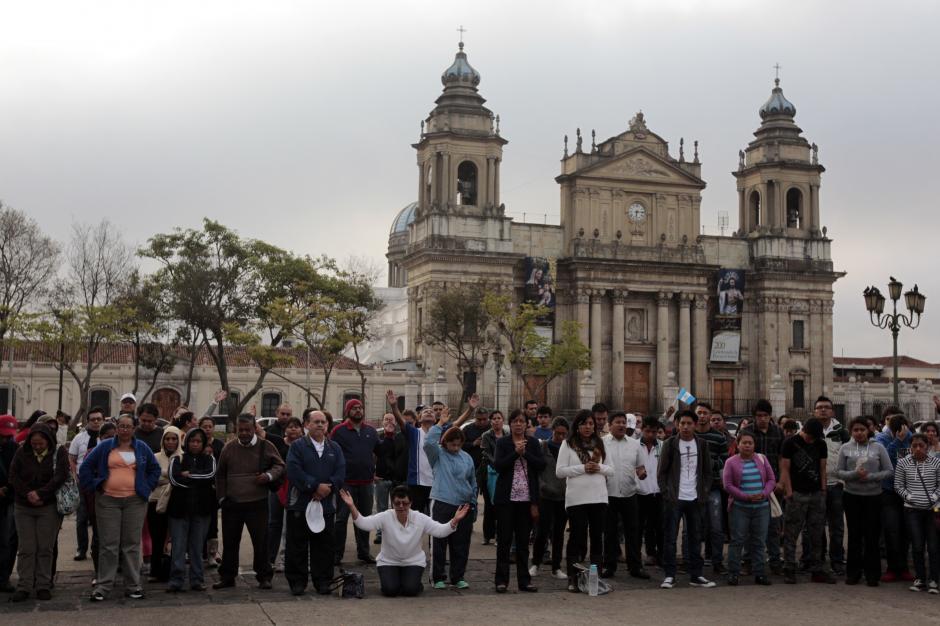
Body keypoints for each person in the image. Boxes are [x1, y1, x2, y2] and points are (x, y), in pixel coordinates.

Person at [79, 414, 161, 601]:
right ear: (117, 428)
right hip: (108, 501)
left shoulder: (142, 448)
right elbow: (85, 468)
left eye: (128, 426)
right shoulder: (105, 447)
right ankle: (103, 586)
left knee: (131, 544)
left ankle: (133, 585)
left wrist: (146, 487)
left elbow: (154, 469)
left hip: (134, 501)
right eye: (121, 426)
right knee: (109, 545)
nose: (124, 430)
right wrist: (95, 486)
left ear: (134, 429)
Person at [340, 486, 469, 597]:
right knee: (390, 591)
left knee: (410, 590)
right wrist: (351, 506)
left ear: (411, 503)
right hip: (388, 561)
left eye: (405, 503)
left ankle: (409, 581)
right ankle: (396, 579)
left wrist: (455, 520)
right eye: (397, 503)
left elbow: (441, 531)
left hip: (413, 561)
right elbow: (363, 523)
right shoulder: (386, 516)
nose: (401, 506)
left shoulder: (420, 518)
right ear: (392, 503)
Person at [213, 414, 285, 590]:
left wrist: (268, 476)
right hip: (232, 504)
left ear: (255, 429)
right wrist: (222, 498)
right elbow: (220, 475)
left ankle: (264, 576)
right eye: (241, 430)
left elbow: (280, 466)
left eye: (247, 430)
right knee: (230, 542)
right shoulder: (228, 448)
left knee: (261, 542)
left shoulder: (265, 446)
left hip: (257, 503)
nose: (244, 433)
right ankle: (227, 577)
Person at [285, 410, 345, 596]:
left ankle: (323, 581)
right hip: (301, 504)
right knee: (297, 545)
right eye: (316, 421)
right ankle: (297, 582)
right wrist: (313, 487)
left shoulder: (335, 448)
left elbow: (341, 471)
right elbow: (294, 470)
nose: (320, 425)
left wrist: (329, 487)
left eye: (323, 422)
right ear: (307, 425)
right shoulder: (297, 447)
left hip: (326, 505)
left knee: (324, 545)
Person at [7, 423, 69, 602]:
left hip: (48, 506)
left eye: (41, 444)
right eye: (34, 444)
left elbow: (60, 476)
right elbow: (14, 476)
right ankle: (24, 585)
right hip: (23, 506)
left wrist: (41, 494)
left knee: (45, 547)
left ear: (48, 441)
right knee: (26, 548)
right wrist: (29, 494)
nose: (38, 447)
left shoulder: (59, 452)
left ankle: (43, 584)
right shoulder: (21, 452)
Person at [658, 410, 716, 589]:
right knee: (670, 537)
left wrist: (704, 492)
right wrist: (667, 493)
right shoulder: (670, 444)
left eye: (689, 423)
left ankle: (696, 575)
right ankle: (669, 575)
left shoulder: (702, 444)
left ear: (695, 425)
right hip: (675, 497)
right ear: (677, 424)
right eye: (682, 423)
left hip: (695, 498)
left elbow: (707, 472)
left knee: (695, 537)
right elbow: (662, 472)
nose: (685, 427)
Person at [556, 409, 612, 592]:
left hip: (599, 497)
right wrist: (582, 468)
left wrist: (599, 467)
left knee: (597, 538)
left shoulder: (600, 443)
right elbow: (560, 471)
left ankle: (596, 577)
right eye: (584, 423)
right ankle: (573, 577)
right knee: (577, 537)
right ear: (577, 426)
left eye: (590, 423)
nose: (588, 427)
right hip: (577, 499)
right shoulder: (568, 444)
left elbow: (611, 470)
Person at [834, 417, 893, 586]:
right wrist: (854, 475)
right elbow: (838, 472)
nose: (859, 433)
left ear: (869, 430)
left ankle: (872, 574)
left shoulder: (878, 447)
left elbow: (889, 471)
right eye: (855, 430)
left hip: (873, 497)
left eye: (862, 429)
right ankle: (853, 573)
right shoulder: (845, 448)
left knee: (871, 536)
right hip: (851, 496)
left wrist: (871, 477)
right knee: (854, 535)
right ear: (851, 431)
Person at [492, 409, 545, 593]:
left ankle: (524, 580)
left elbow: (540, 465)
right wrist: (515, 453)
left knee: (523, 543)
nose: (518, 424)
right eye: (515, 421)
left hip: (526, 499)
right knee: (504, 542)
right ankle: (501, 580)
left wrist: (525, 454)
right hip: (506, 500)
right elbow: (498, 466)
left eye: (522, 421)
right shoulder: (503, 443)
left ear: (526, 423)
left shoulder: (533, 443)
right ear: (510, 423)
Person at [424, 405, 476, 589]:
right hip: (442, 502)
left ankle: (458, 576)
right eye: (451, 443)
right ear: (445, 442)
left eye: (458, 444)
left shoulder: (467, 458)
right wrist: (440, 423)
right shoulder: (437, 455)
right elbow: (428, 443)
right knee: (439, 541)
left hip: (463, 505)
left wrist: (473, 503)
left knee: (461, 543)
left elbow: (472, 481)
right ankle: (437, 577)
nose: (455, 447)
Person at [779, 417, 835, 584]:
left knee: (817, 533)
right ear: (803, 431)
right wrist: (789, 492)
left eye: (814, 437)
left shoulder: (820, 444)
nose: (811, 440)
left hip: (816, 493)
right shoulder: (790, 443)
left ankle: (817, 569)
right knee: (791, 532)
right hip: (797, 493)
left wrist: (823, 490)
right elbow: (784, 468)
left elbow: (822, 467)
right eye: (809, 436)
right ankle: (789, 567)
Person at [166, 427, 217, 592]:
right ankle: (176, 580)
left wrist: (189, 475)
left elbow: (209, 476)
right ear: (186, 442)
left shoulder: (209, 459)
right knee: (178, 546)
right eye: (192, 441)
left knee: (197, 546)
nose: (195, 444)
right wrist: (193, 477)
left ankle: (197, 579)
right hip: (179, 509)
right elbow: (175, 479)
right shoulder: (177, 459)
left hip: (202, 509)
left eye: (198, 441)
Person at [722, 431, 776, 586]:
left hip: (761, 508)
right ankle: (733, 573)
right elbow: (728, 485)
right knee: (737, 541)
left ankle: (759, 573)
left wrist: (764, 493)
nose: (747, 445)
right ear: (737, 445)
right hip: (740, 507)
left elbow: (772, 480)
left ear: (754, 445)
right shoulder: (731, 462)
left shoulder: (762, 459)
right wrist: (745, 496)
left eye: (750, 443)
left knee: (759, 542)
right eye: (744, 442)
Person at [330, 398, 380, 565]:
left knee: (364, 519)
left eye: (360, 408)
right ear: (348, 411)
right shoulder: (338, 431)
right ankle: (336, 554)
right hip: (346, 483)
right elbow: (331, 454)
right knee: (341, 519)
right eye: (354, 408)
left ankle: (364, 553)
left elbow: (380, 452)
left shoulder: (371, 431)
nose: (358, 410)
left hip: (366, 482)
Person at [602, 412, 650, 580]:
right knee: (609, 532)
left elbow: (640, 466)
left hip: (630, 494)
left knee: (633, 532)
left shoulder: (635, 444)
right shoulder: (602, 444)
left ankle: (635, 566)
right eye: (617, 422)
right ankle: (609, 566)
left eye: (623, 422)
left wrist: (642, 472)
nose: (621, 425)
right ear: (609, 424)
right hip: (608, 494)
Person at [742, 399, 785, 574]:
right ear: (754, 417)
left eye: (765, 416)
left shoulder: (778, 432)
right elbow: (741, 458)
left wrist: (781, 481)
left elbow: (782, 458)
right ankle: (749, 560)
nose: (762, 419)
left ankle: (775, 560)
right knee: (751, 526)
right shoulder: (746, 432)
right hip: (753, 484)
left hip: (773, 486)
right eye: (759, 416)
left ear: (770, 416)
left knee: (773, 525)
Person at [894, 433, 940, 593]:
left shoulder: (936, 463)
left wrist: (935, 496)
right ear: (910, 447)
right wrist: (909, 496)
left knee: (933, 547)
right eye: (914, 446)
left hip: (931, 510)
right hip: (912, 510)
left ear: (927, 446)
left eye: (921, 445)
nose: (918, 448)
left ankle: (934, 580)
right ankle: (920, 578)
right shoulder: (902, 463)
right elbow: (898, 485)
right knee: (917, 545)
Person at [812, 396, 849, 576]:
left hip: (836, 485)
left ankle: (837, 560)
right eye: (819, 408)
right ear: (814, 411)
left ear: (833, 411)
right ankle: (817, 560)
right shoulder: (809, 431)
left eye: (826, 407)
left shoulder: (842, 432)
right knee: (816, 525)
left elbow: (850, 457)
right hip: (816, 487)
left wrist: (843, 481)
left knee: (836, 526)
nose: (823, 410)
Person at [876, 410, 914, 582]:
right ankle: (892, 567)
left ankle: (903, 567)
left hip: (908, 491)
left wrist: (906, 439)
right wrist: (897, 441)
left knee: (906, 531)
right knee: (891, 530)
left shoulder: (911, 438)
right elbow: (885, 461)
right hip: (889, 491)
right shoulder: (882, 440)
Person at [530, 417, 569, 580]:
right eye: (558, 433)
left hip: (563, 496)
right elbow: (536, 470)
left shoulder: (568, 448)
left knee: (559, 533)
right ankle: (536, 563)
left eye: (563, 434)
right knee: (542, 532)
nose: (560, 437)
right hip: (545, 495)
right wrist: (541, 487)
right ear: (553, 431)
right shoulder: (542, 446)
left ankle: (556, 566)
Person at [693, 402, 728, 576]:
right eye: (699, 412)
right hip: (691, 488)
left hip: (713, 487)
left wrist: (708, 463)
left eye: (705, 413)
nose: (702, 416)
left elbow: (725, 461)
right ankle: (691, 561)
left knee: (716, 527)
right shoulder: (688, 435)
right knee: (691, 528)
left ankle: (717, 561)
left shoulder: (719, 437)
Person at [145, 426, 182, 583]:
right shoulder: (154, 457)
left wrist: (166, 476)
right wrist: (173, 476)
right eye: (167, 439)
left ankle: (173, 570)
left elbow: (184, 479)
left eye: (174, 439)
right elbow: (151, 478)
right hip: (155, 501)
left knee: (175, 538)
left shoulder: (183, 457)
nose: (170, 442)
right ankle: (155, 570)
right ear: (163, 440)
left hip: (176, 502)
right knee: (157, 537)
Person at [69, 407, 105, 562]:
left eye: (99, 419)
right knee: (81, 518)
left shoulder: (106, 438)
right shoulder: (79, 438)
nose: (96, 422)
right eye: (93, 419)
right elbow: (72, 458)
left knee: (98, 518)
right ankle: (81, 549)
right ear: (87, 421)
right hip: (82, 482)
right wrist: (75, 476)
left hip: (101, 483)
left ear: (103, 420)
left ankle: (96, 548)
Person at [637, 416, 664, 567]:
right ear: (642, 430)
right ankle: (643, 554)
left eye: (654, 432)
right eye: (647, 431)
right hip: (640, 493)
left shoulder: (662, 446)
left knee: (658, 526)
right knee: (640, 526)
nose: (650, 435)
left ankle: (659, 554)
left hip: (657, 492)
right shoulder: (635, 446)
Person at [198, 415, 224, 568]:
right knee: (198, 522)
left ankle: (212, 554)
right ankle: (198, 552)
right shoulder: (195, 443)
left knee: (213, 523)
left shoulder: (220, 445)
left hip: (214, 490)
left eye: (210, 426)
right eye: (204, 426)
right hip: (199, 489)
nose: (207, 429)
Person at [480, 410, 506, 545]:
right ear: (491, 421)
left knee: (501, 506)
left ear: (503, 420)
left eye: (499, 418)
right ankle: (487, 535)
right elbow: (485, 452)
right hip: (489, 474)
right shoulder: (486, 436)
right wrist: (497, 463)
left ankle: (498, 535)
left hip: (504, 474)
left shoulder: (507, 435)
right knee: (489, 505)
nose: (496, 420)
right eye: (494, 418)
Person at [0, 415, 18, 594]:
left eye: (8, 435)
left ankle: (3, 578)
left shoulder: (15, 448)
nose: (5, 439)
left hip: (9, 502)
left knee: (6, 541)